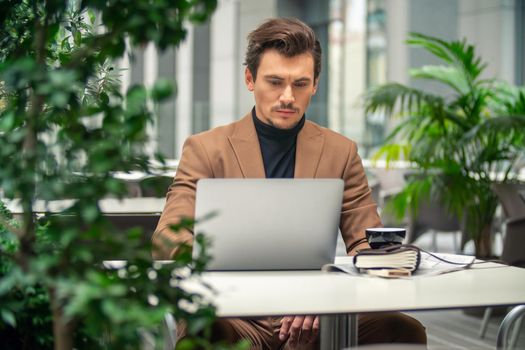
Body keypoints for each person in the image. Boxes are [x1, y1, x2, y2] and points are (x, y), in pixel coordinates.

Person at [152, 17, 427, 349]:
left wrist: (325, 294)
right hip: (235, 314)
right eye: (275, 82)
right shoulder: (206, 149)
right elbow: (167, 237)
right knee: (203, 330)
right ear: (249, 79)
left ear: (315, 85)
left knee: (403, 330)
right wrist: (224, 280)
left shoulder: (341, 152)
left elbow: (365, 244)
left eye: (300, 84)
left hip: (315, 313)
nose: (287, 96)